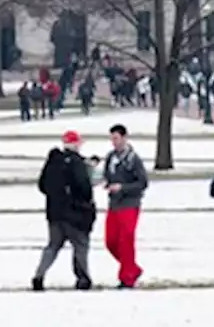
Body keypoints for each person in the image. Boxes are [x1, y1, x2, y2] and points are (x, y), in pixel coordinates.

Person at [32, 130, 94, 290]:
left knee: (52, 246)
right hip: (75, 213)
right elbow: (84, 187)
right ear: (76, 144)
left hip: (54, 213)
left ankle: (39, 275)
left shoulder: (53, 161)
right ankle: (83, 278)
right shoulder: (76, 163)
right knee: (80, 246)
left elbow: (42, 185)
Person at [102, 124, 147, 289]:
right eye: (112, 139)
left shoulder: (133, 159)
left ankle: (127, 277)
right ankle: (132, 268)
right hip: (114, 204)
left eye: (116, 138)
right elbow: (108, 176)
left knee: (126, 240)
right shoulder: (110, 158)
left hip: (130, 204)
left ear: (124, 138)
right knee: (111, 241)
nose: (114, 142)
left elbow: (142, 182)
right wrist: (107, 184)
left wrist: (123, 187)